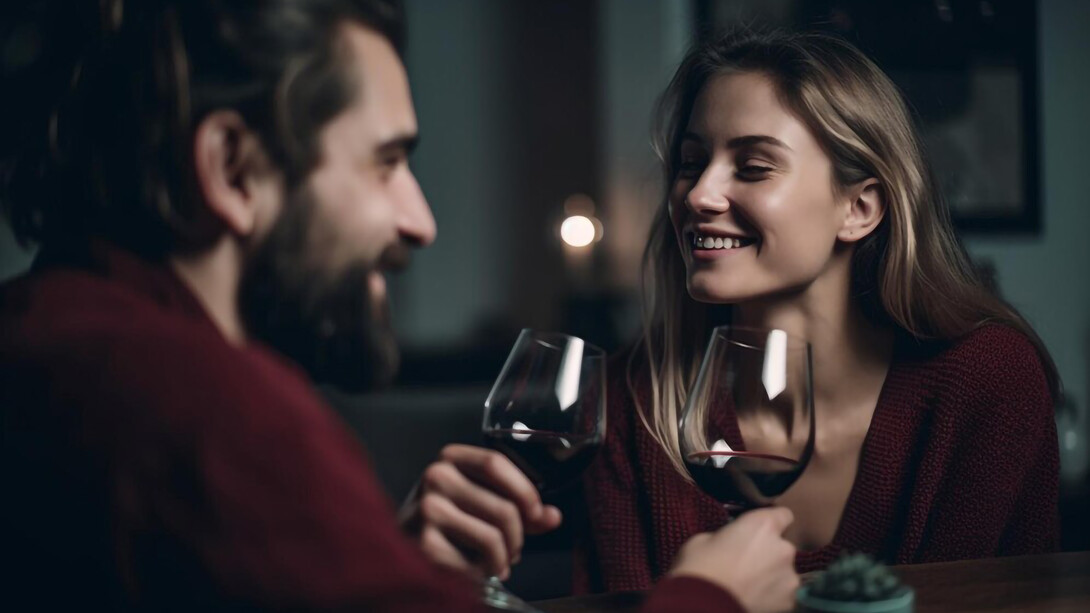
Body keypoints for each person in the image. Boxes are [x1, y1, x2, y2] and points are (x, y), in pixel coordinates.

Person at [0, 2, 798, 611]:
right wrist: (712, 599)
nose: (419, 219)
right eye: (386, 163)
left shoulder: (48, 332)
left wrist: (403, 570)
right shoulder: (217, 416)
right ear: (232, 169)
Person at [577, 29, 1062, 592]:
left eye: (754, 167)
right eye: (691, 161)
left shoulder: (988, 383)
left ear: (859, 208)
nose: (697, 195)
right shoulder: (631, 401)